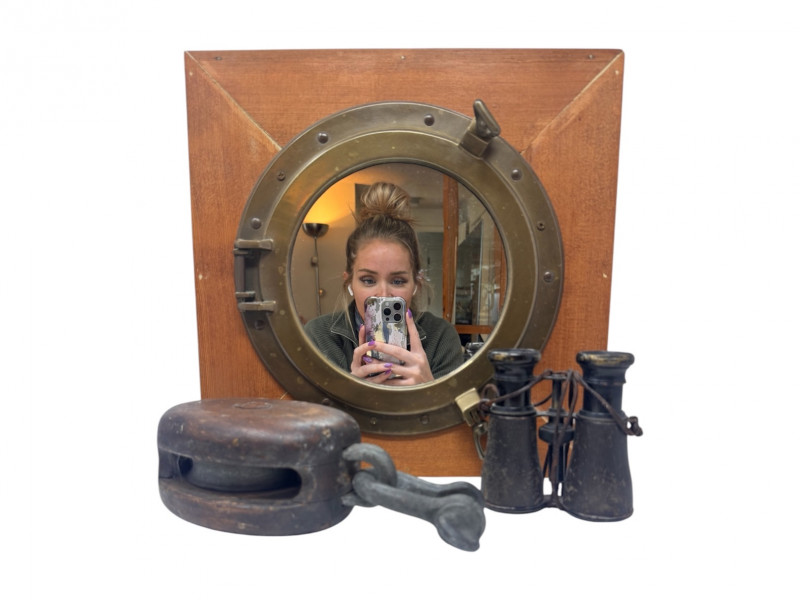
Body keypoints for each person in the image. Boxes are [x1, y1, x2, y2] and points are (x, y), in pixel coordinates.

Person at [304, 182, 464, 385]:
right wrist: (348, 391)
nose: (383, 294)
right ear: (349, 282)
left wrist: (427, 389)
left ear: (415, 284)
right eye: (368, 280)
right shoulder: (319, 336)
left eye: (398, 281)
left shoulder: (441, 336)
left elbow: (456, 406)